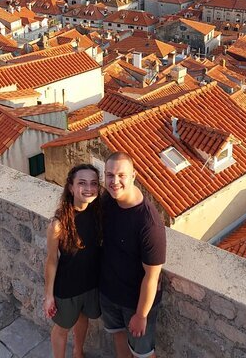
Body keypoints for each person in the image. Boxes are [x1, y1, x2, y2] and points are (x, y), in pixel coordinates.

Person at [100, 151, 167, 358]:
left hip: (135, 302)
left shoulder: (149, 224)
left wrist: (141, 315)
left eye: (121, 175)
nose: (115, 181)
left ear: (133, 176)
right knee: (118, 336)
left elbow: (152, 276)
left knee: (143, 353)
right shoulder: (108, 199)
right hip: (109, 293)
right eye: (110, 175)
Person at [44, 164, 102, 358]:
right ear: (70, 187)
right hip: (67, 288)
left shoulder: (98, 213)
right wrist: (49, 296)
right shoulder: (58, 224)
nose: (89, 188)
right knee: (61, 329)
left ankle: (78, 352)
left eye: (94, 183)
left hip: (91, 284)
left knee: (83, 318)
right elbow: (51, 260)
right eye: (82, 183)